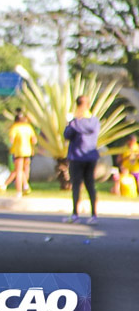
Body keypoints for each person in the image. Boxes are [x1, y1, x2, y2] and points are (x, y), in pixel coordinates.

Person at [64, 95, 100, 224]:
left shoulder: (75, 122)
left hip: (77, 157)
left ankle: (75, 214)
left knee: (76, 185)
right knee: (90, 185)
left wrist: (70, 123)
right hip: (91, 156)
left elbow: (67, 135)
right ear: (88, 104)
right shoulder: (94, 121)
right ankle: (94, 215)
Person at [3, 111, 38, 197]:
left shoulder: (15, 128)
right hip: (28, 151)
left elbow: (11, 140)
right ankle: (25, 186)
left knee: (18, 171)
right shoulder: (28, 127)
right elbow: (34, 140)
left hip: (18, 151)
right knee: (25, 169)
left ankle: (19, 190)